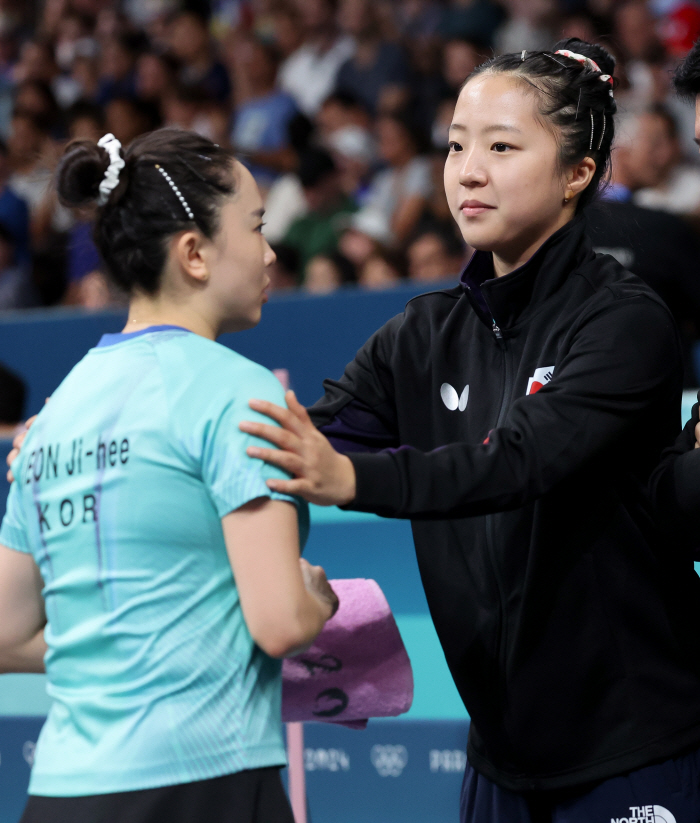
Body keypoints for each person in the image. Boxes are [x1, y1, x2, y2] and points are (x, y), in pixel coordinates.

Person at [241, 39, 700, 823]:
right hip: (498, 762)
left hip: (637, 748)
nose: (468, 170)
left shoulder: (624, 322)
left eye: (501, 146)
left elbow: (518, 461)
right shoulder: (420, 335)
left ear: (576, 174)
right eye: (456, 146)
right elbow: (299, 438)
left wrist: (352, 479)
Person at [0, 128, 337, 823]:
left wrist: (122, 647)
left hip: (61, 794)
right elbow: (277, 622)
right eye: (256, 225)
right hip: (203, 783)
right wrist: (317, 599)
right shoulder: (241, 393)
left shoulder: (55, 413)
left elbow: (4, 634)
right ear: (193, 253)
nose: (272, 251)